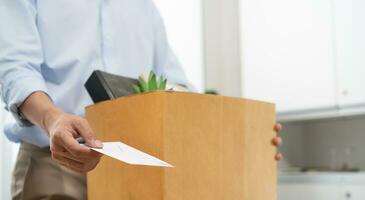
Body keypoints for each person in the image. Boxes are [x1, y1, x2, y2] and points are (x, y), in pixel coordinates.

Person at [0, 0, 282, 199]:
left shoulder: (144, 7)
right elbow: (15, 67)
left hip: (133, 171)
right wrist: (53, 118)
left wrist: (241, 139)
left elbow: (175, 86)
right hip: (55, 164)